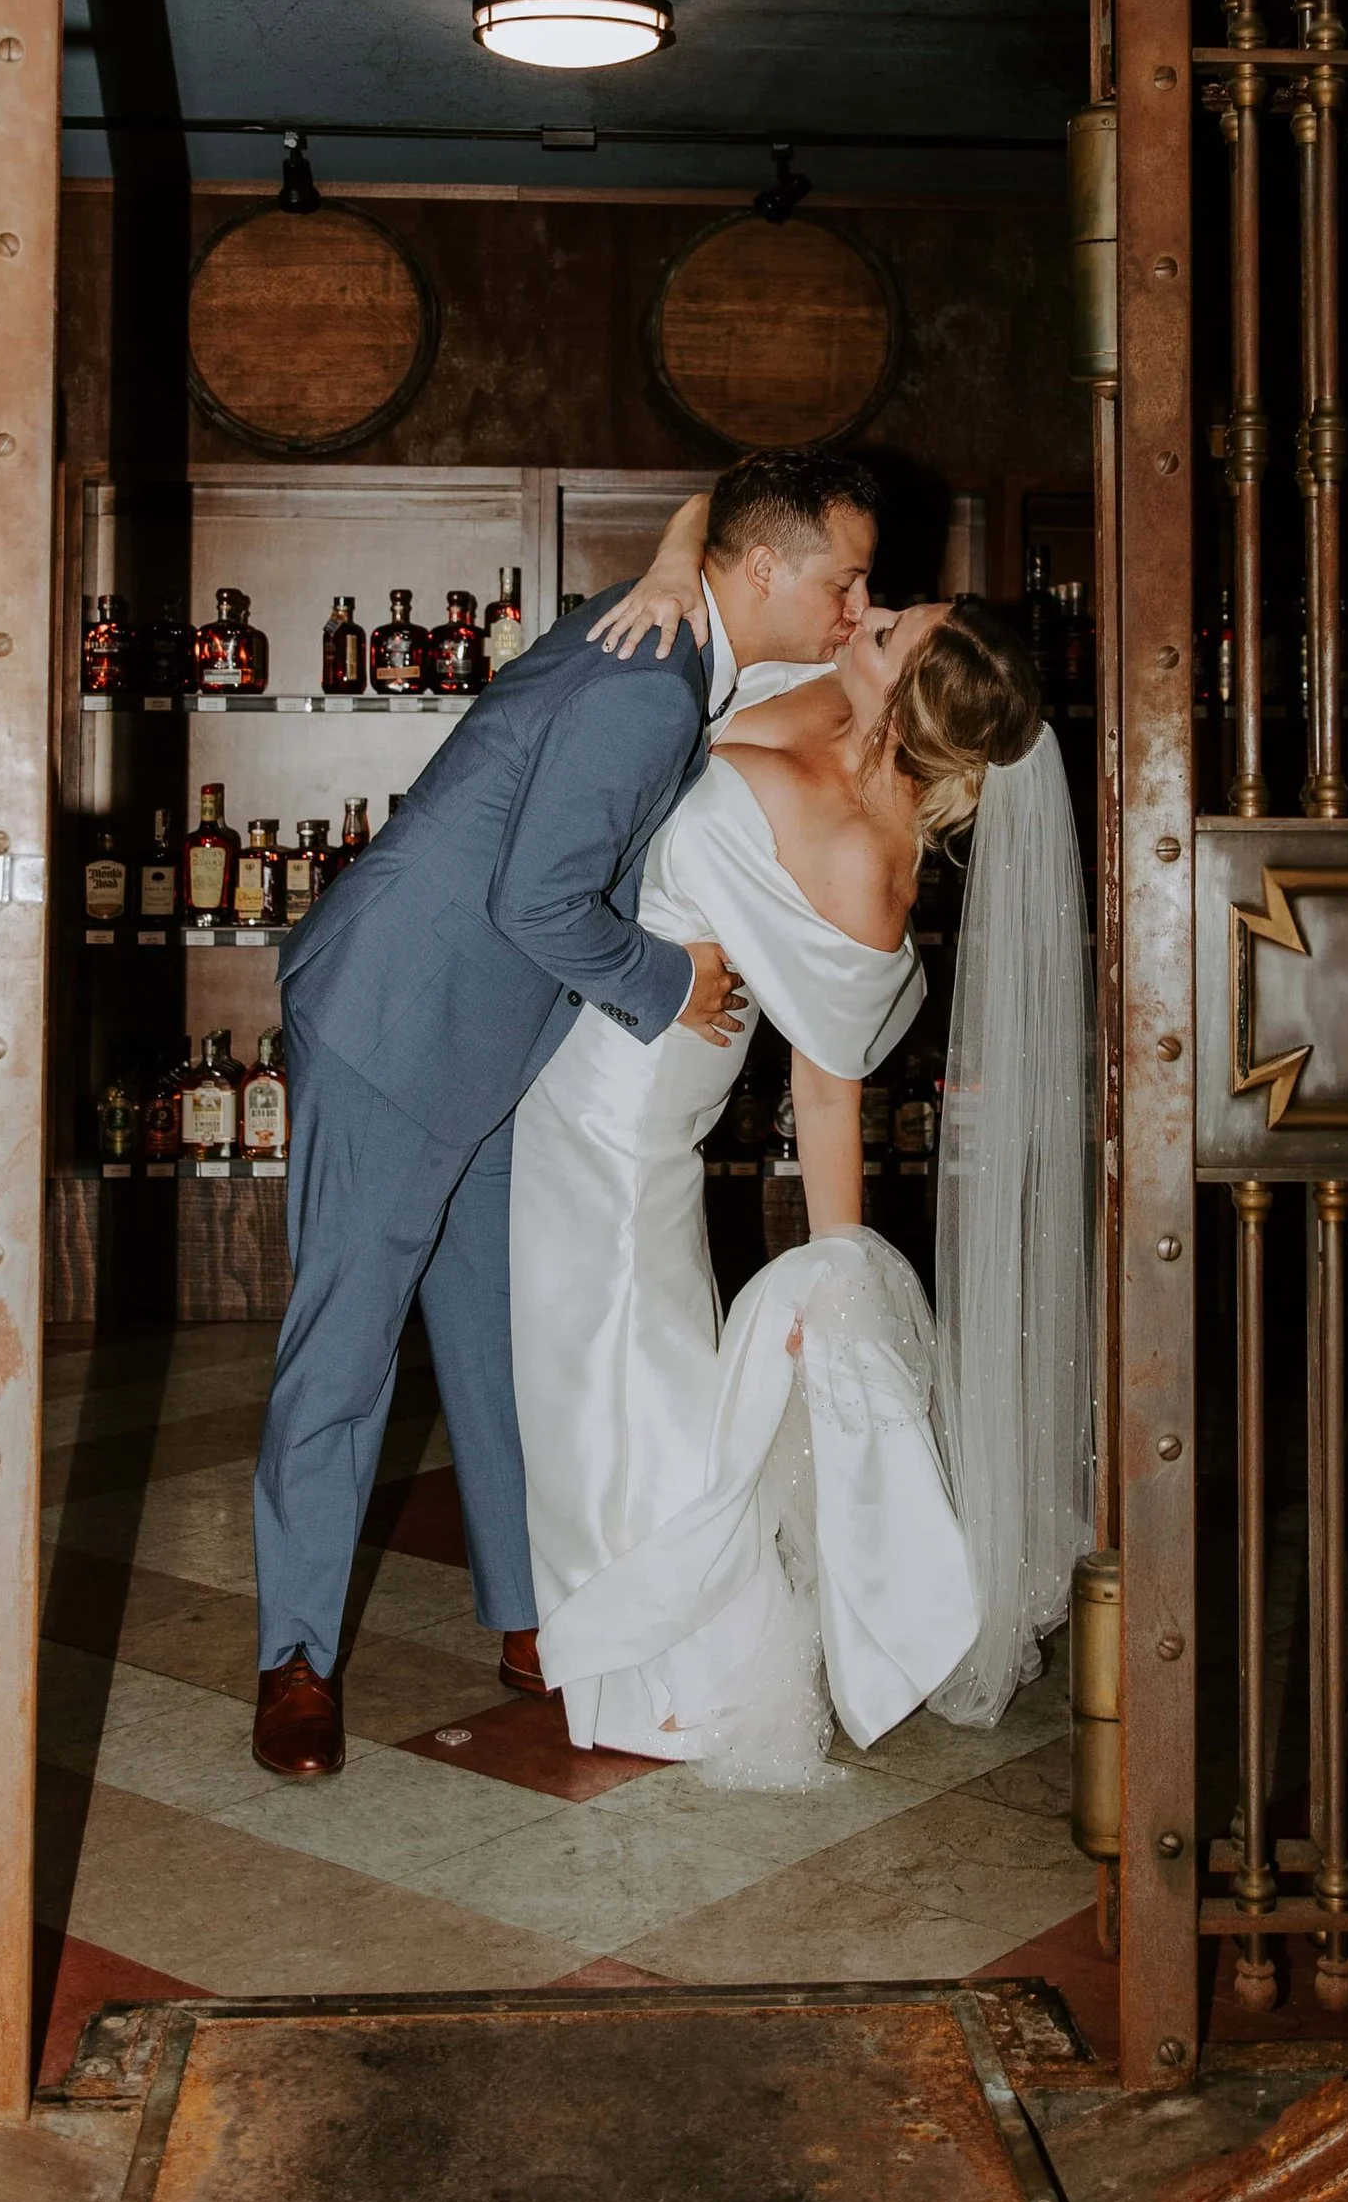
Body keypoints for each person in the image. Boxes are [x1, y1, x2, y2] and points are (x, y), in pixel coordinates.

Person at [247, 451, 881, 1776]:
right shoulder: (652, 681)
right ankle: (295, 1656)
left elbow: (737, 496)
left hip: (498, 1045)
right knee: (347, 1343)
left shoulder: (678, 623)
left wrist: (678, 540)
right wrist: (678, 980)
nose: (853, 607)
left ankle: (531, 1615)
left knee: (491, 1337)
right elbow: (533, 902)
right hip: (395, 1017)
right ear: (764, 571)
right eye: (846, 581)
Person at [510, 566, 1085, 1780]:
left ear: (899, 708)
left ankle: (687, 1674)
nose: (864, 620)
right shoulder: (835, 730)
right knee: (621, 1367)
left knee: (604, 1376)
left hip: (617, 1115)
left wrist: (836, 1266)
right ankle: (661, 1655)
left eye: (888, 631)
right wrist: (679, 565)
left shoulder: (843, 845)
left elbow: (829, 1084)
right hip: (602, 1061)